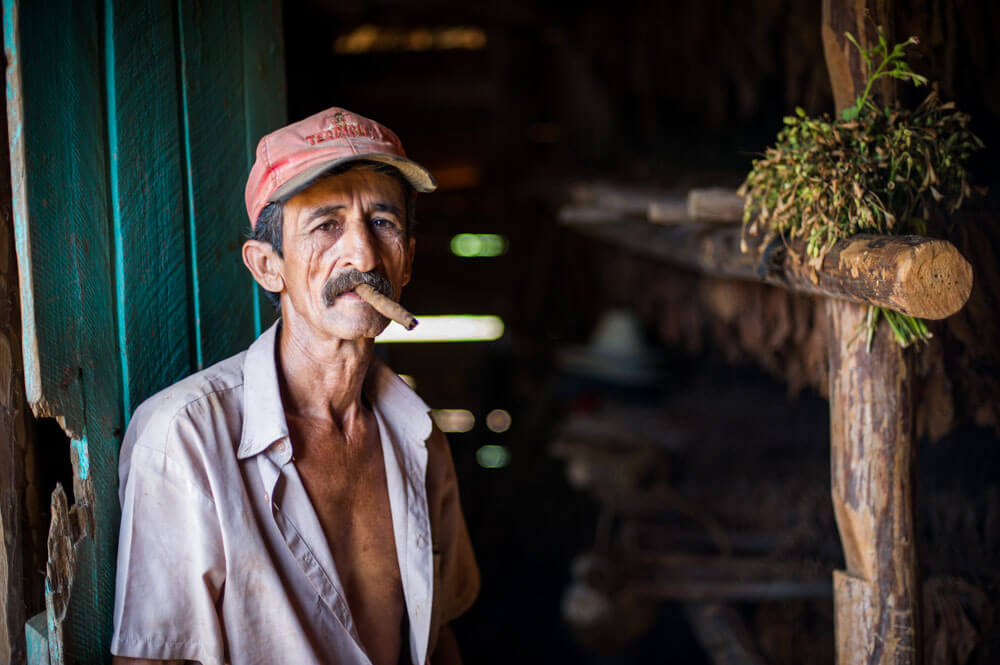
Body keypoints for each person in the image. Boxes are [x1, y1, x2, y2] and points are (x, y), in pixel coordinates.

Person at [111, 107, 480, 665]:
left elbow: (439, 639)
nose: (361, 254)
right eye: (326, 224)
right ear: (266, 266)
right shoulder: (185, 438)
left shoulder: (420, 437)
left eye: (383, 222)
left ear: (406, 261)